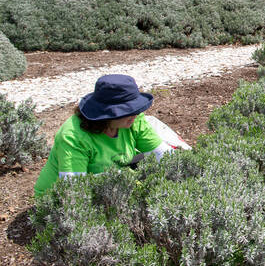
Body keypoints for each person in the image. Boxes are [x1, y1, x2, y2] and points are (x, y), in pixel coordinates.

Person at [34, 74, 173, 197]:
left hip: (109, 182)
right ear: (107, 113)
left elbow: (164, 155)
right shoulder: (73, 137)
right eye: (127, 111)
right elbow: (74, 189)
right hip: (59, 198)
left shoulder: (133, 120)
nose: (135, 115)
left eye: (135, 108)